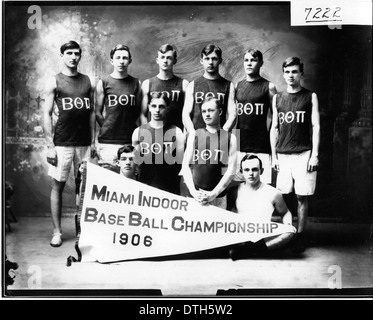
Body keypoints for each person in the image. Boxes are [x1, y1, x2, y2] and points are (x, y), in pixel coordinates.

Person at [44, 40, 96, 247]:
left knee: (84, 188)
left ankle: (82, 231)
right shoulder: (54, 81)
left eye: (76, 53)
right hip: (63, 142)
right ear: (62, 55)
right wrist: (50, 144)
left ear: (80, 56)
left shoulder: (88, 81)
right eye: (69, 53)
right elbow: (46, 114)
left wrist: (93, 141)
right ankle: (57, 232)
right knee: (58, 186)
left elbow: (91, 112)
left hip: (84, 143)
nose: (73, 57)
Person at [270, 57, 320, 253]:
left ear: (301, 74)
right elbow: (274, 128)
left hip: (303, 153)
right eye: (287, 72)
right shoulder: (278, 98)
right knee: (283, 195)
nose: (291, 75)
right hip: (283, 154)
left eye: (294, 72)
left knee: (301, 196)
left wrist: (314, 154)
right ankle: (287, 232)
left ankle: (300, 236)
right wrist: (274, 156)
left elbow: (316, 126)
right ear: (283, 74)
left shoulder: (310, 96)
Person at [227, 154, 295, 260]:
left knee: (289, 233)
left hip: (263, 235)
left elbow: (285, 212)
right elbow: (226, 215)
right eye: (246, 170)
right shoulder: (234, 191)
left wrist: (288, 225)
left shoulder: (273, 193)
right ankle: (258, 251)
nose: (250, 173)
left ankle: (248, 252)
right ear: (241, 172)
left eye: (254, 169)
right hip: (242, 235)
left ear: (261, 171)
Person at [182, 97, 237, 209]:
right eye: (204, 111)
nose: (207, 114)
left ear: (220, 112)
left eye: (211, 110)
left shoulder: (230, 138)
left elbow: (231, 170)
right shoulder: (194, 135)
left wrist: (214, 193)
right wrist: (193, 192)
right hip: (195, 197)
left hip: (218, 198)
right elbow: (185, 167)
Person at [235, 49, 277, 184]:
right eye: (246, 60)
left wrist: (273, 146)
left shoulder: (269, 86)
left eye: (253, 60)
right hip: (240, 143)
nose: (249, 63)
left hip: (261, 144)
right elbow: (233, 117)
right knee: (240, 185)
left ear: (261, 63)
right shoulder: (238, 86)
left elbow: (276, 118)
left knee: (262, 186)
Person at [95, 44, 141, 167]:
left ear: (129, 60)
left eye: (124, 58)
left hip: (129, 140)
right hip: (108, 141)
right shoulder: (103, 82)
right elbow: (97, 112)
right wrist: (107, 126)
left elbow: (139, 112)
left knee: (129, 179)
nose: (121, 61)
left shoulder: (136, 83)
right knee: (108, 179)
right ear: (112, 60)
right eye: (118, 58)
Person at [132, 92, 185, 194]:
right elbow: (136, 165)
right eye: (154, 106)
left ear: (167, 109)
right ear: (149, 107)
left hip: (169, 189)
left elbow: (181, 165)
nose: (157, 110)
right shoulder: (138, 132)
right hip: (145, 188)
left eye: (161, 107)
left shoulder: (177, 132)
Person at [182, 44, 236, 134]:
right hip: (197, 137)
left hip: (219, 138)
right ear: (201, 61)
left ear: (220, 60)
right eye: (207, 59)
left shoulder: (229, 85)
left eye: (214, 58)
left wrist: (223, 133)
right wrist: (192, 133)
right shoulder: (193, 85)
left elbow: (233, 114)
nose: (210, 62)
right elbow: (186, 114)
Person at [140, 43, 189, 129]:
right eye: (162, 57)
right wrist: (146, 132)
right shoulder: (147, 84)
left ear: (175, 61)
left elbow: (187, 114)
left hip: (176, 134)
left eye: (169, 58)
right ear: (157, 60)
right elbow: (143, 114)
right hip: (155, 134)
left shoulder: (184, 84)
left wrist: (184, 134)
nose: (165, 61)